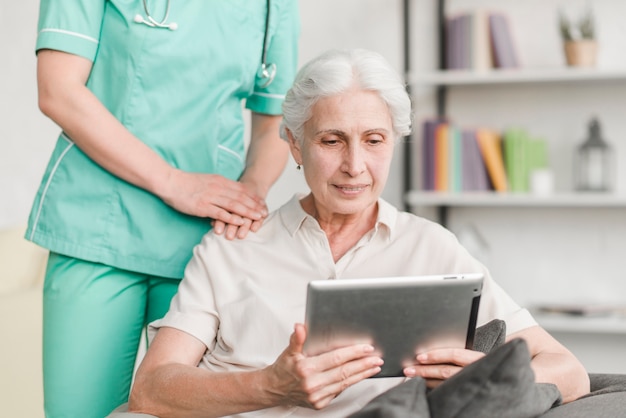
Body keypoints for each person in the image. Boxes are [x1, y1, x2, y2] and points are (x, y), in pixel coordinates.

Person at [123, 48, 590, 418]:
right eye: (332, 140)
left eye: (374, 140)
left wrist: (481, 375)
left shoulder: (431, 247)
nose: (354, 166)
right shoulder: (232, 246)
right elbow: (151, 389)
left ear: (394, 142)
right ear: (294, 143)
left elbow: (569, 371)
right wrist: (269, 384)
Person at [26, 1, 300, 417]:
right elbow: (58, 90)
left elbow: (274, 120)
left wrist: (250, 192)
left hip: (206, 245)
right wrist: (173, 183)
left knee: (189, 407)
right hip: (97, 227)